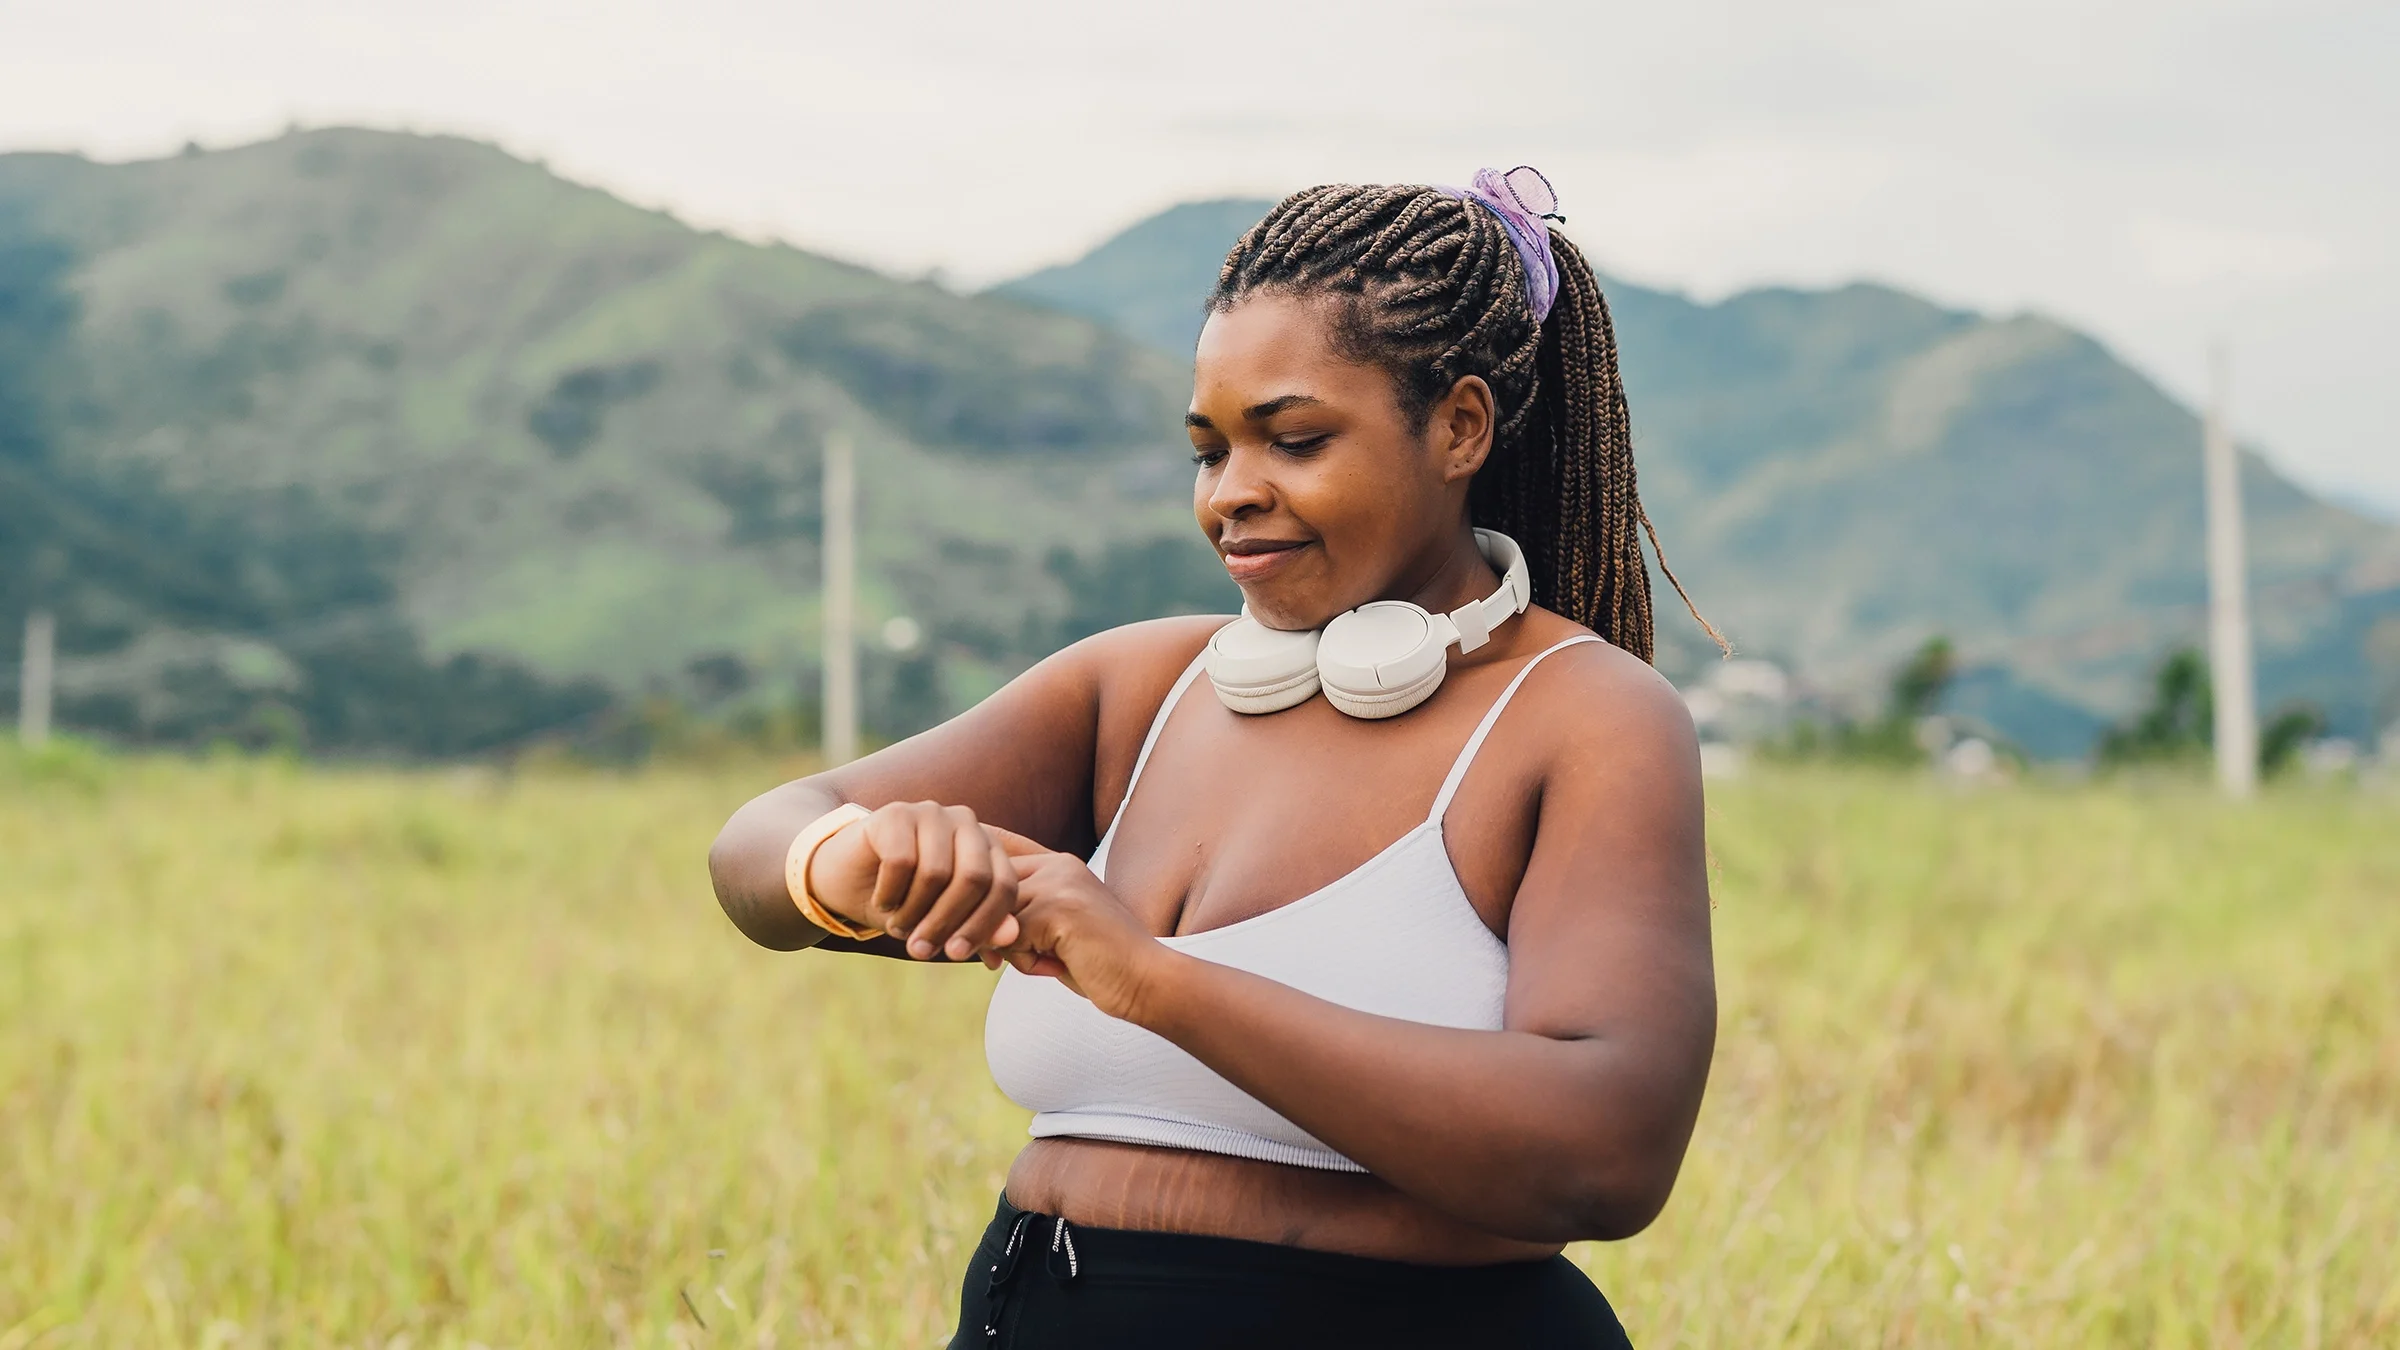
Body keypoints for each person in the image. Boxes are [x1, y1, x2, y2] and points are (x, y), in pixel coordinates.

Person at [708, 167, 1717, 1349]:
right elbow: (752, 851)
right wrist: (851, 857)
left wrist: (1154, 980)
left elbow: (1604, 1155)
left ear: (1459, 427)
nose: (1233, 496)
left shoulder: (1586, 717)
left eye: (1292, 440)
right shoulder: (1139, 688)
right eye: (1210, 451)